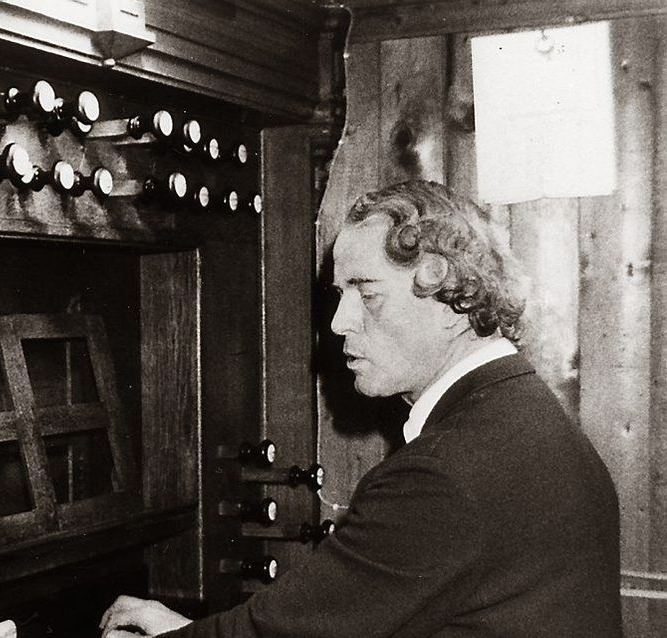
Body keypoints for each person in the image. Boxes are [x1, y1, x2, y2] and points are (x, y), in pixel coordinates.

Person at [99, 180, 621, 637]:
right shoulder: (520, 410)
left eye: (366, 294)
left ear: (449, 300)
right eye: (339, 295)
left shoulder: (444, 472)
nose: (339, 323)